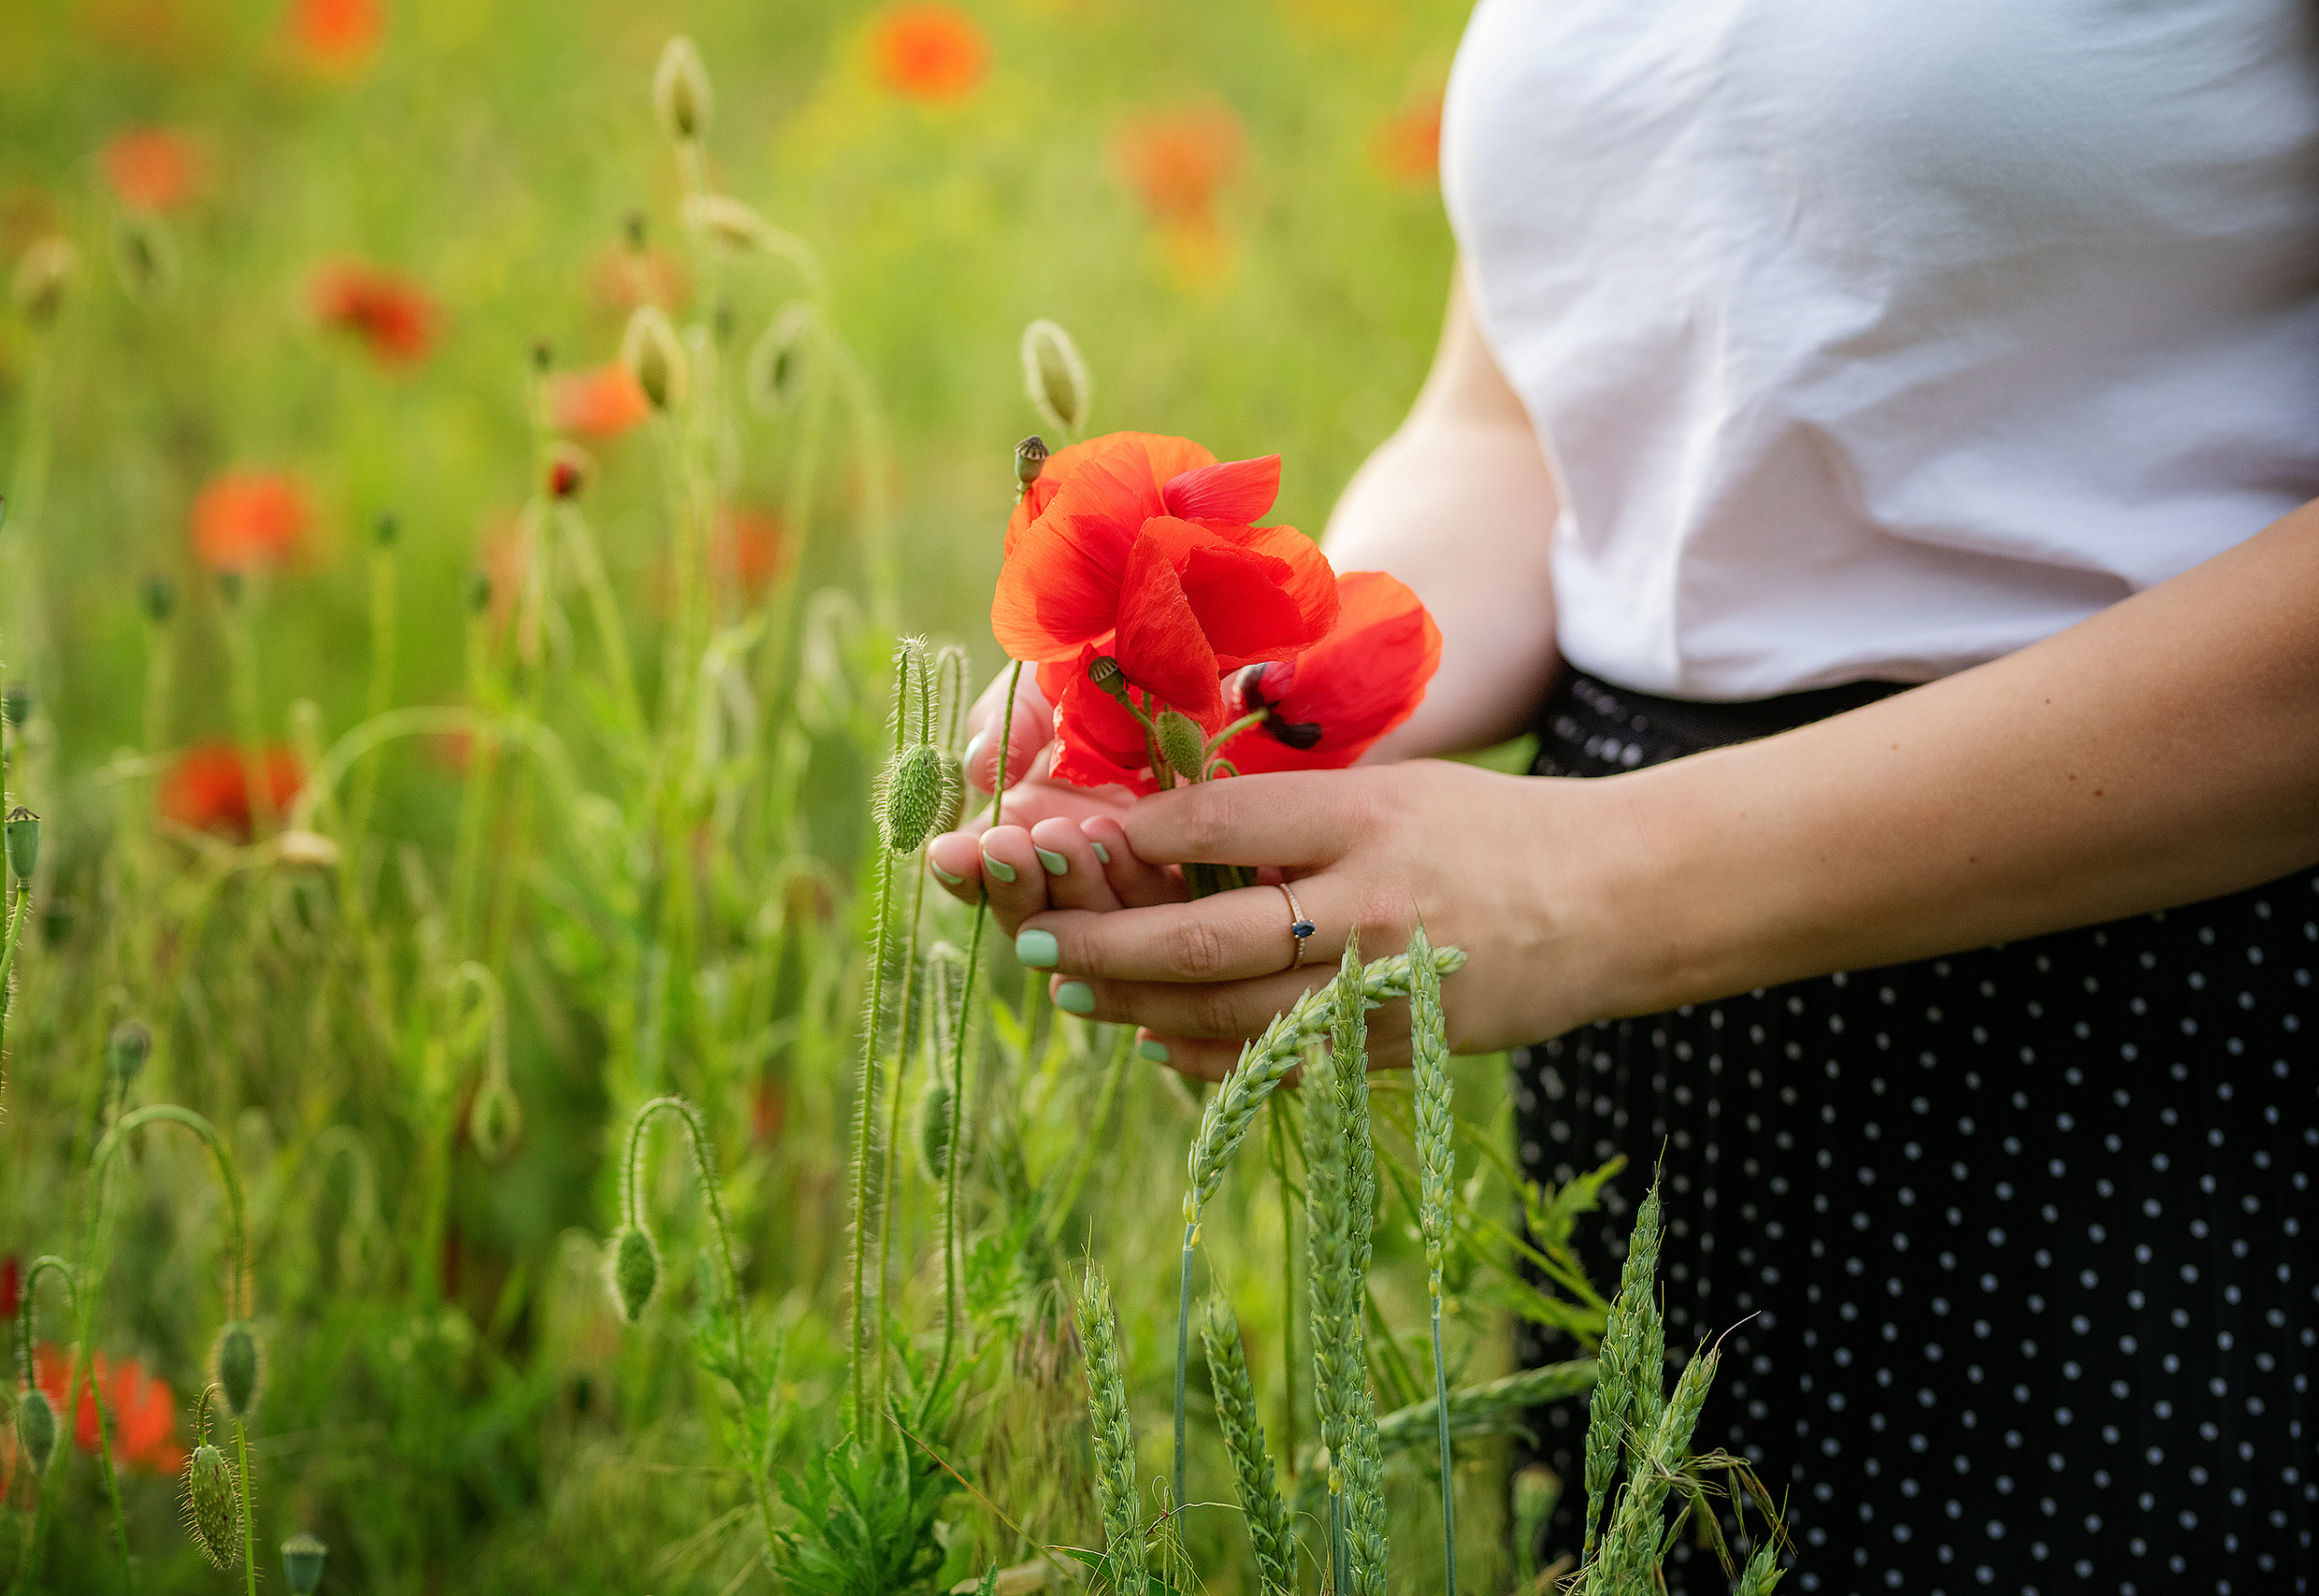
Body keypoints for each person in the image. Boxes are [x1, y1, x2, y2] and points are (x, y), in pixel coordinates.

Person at [928, 2, 2319, 1588]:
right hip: (1650, 1071)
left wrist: (1595, 884)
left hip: (2160, 1057)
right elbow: (1525, 419)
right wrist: (1256, 705)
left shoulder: (1601, 893)